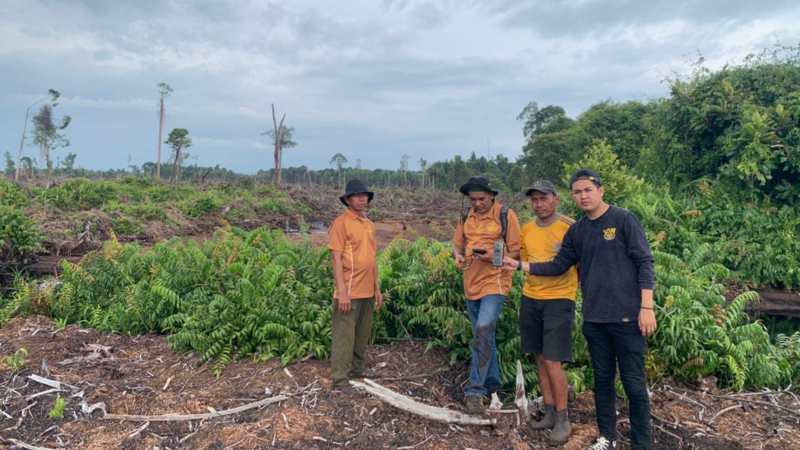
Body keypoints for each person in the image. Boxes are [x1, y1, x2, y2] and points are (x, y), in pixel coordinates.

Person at [503, 169, 656, 450]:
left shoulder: (623, 219)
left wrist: (647, 306)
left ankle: (641, 444)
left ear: (601, 190)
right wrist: (520, 265)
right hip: (595, 317)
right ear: (572, 196)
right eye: (578, 192)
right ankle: (606, 438)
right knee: (603, 381)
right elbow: (558, 265)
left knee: (634, 384)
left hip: (627, 316)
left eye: (588, 190)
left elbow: (644, 261)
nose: (583, 196)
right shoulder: (578, 230)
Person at [452, 176, 521, 414]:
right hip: (470, 281)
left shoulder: (506, 215)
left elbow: (515, 251)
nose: (477, 203)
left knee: (482, 330)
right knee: (485, 335)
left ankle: (475, 391)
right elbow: (457, 244)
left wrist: (492, 257)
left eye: (481, 199)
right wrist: (458, 257)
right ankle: (494, 386)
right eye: (473, 199)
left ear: (492, 196)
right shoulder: (466, 215)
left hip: (496, 282)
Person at [518, 180, 578, 446]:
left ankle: (564, 419)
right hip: (531, 298)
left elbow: (573, 265)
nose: (539, 204)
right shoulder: (527, 229)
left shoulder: (569, 227)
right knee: (540, 357)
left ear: (556, 199)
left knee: (554, 360)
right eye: (534, 200)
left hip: (559, 299)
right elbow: (522, 259)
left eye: (544, 198)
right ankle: (550, 412)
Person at [328, 179, 384, 394]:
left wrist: (377, 288)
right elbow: (335, 258)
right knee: (345, 335)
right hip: (349, 291)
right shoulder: (340, 223)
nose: (362, 198)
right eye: (357, 195)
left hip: (367, 290)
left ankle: (357, 371)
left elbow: (372, 258)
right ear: (348, 199)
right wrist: (342, 292)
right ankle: (340, 379)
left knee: (362, 334)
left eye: (365, 195)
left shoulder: (369, 224)